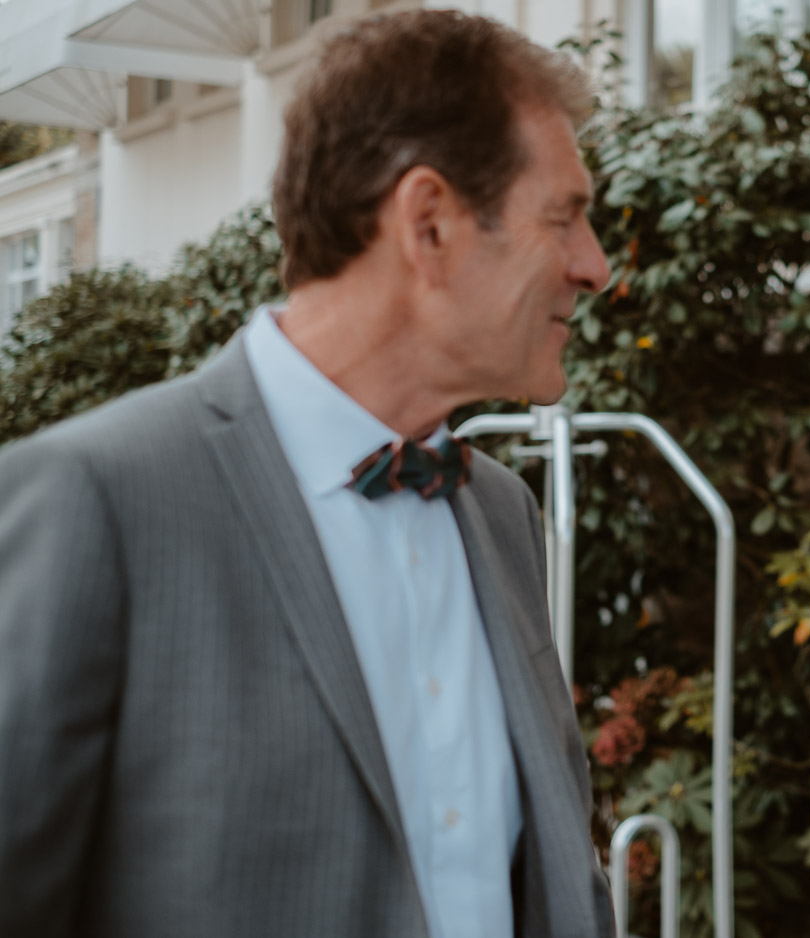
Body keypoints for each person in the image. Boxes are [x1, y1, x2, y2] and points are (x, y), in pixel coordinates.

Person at [0, 11, 613, 938]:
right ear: (430, 223)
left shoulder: (501, 514)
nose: (595, 267)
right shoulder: (99, 501)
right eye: (564, 217)